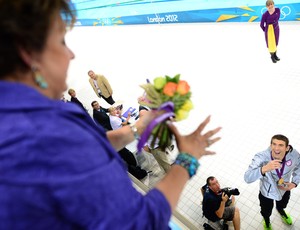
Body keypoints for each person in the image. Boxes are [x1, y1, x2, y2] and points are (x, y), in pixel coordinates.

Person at [0, 0, 222, 229]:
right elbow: (142, 222)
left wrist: (138, 126)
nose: (71, 54)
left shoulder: (32, 116)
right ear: (29, 52)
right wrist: (187, 160)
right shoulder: (48, 138)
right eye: (61, 41)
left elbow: (85, 147)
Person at [244, 134, 300, 230]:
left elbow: (299, 167)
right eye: (274, 144)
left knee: (282, 204)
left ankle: (281, 211)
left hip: (284, 188)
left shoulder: (294, 154)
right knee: (266, 211)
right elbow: (247, 177)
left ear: (287, 148)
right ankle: (266, 220)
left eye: (281, 145)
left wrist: (294, 183)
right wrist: (264, 169)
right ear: (270, 145)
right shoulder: (261, 157)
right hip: (267, 192)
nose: (276, 148)